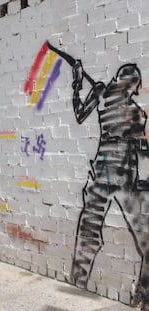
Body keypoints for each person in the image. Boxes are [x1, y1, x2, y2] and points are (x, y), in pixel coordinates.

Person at [69, 61, 149, 308]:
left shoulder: (113, 99)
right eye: (134, 87)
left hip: (112, 176)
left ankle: (140, 298)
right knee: (88, 239)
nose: (134, 92)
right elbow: (81, 114)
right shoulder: (133, 112)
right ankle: (142, 298)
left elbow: (81, 113)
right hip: (120, 177)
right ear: (130, 84)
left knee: (87, 239)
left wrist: (77, 85)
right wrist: (77, 83)